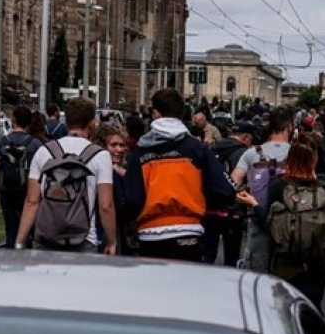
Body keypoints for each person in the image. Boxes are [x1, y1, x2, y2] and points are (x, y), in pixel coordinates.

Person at [124, 89, 235, 261]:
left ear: (155, 113)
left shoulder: (141, 152)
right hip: (189, 232)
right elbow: (224, 189)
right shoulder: (197, 149)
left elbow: (132, 198)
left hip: (151, 235)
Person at [237, 138, 325, 311]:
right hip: (316, 264)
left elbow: (268, 223)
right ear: (313, 161)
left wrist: (254, 204)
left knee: (284, 310)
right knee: (311, 309)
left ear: (289, 162)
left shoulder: (280, 187)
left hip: (285, 262)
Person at [15, 97, 116, 254]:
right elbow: (106, 206)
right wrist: (111, 241)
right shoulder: (100, 156)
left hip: (47, 238)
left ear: (66, 122)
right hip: (84, 239)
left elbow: (31, 202)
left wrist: (19, 242)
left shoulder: (44, 152)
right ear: (92, 124)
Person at [231, 105, 293, 273]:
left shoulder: (252, 153)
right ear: (289, 127)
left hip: (259, 221)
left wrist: (245, 197)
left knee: (257, 277)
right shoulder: (297, 153)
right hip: (290, 226)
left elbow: (234, 181)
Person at [0, 106, 43, 248]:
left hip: (6, 189)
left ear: (14, 121)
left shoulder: (2, 141)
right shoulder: (35, 144)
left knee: (10, 227)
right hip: (28, 190)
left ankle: (11, 259)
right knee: (28, 226)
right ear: (29, 123)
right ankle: (26, 254)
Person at [205, 121, 256, 266]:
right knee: (231, 258)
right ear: (246, 137)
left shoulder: (210, 149)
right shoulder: (244, 153)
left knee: (207, 255)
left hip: (209, 208)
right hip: (233, 210)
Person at [92, 125, 129, 254]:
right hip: (106, 232)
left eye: (121, 145)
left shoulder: (119, 171)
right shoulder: (111, 174)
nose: (119, 149)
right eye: (113, 145)